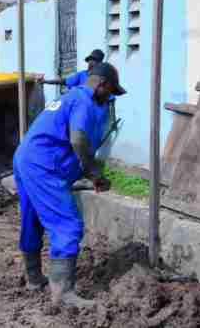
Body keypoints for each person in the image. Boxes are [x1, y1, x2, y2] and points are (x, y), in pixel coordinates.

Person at [13, 62, 126, 309]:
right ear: (101, 84)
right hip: (44, 166)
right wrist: (93, 172)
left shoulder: (71, 96)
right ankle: (63, 294)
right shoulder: (85, 102)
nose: (110, 99)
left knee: (32, 219)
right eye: (111, 92)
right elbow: (79, 139)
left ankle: (34, 278)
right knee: (67, 224)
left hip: (27, 158)